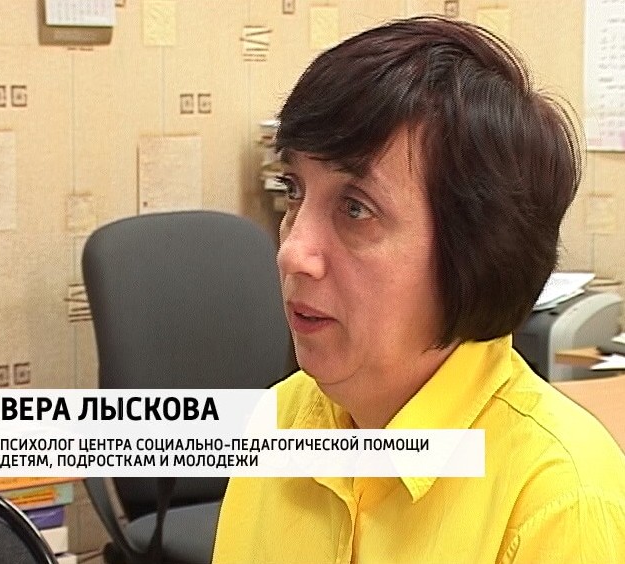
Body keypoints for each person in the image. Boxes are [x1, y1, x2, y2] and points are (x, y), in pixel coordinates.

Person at [212, 16, 625, 564]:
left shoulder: (559, 500)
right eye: (295, 190)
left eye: (355, 208)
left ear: (474, 254)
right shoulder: (278, 422)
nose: (292, 251)